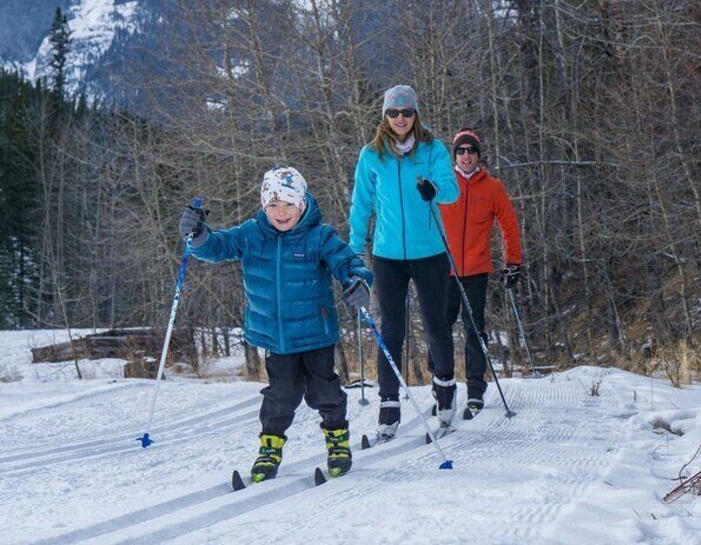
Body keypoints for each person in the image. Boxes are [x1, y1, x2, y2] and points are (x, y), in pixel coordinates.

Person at [179, 166, 373, 482]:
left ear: (302, 203)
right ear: (264, 205)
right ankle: (270, 449)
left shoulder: (319, 235)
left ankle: (337, 440)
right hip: (276, 338)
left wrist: (357, 282)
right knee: (279, 396)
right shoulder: (252, 234)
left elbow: (348, 262)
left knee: (324, 391)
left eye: (287, 204)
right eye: (272, 205)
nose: (280, 213)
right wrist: (197, 236)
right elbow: (217, 247)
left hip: (315, 334)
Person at [348, 85, 460, 441]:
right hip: (387, 255)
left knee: (436, 325)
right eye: (393, 113)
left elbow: (451, 188)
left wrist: (435, 190)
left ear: (415, 115)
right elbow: (360, 206)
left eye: (406, 112)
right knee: (390, 330)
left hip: (429, 252)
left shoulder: (433, 149)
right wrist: (353, 252)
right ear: (384, 116)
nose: (400, 119)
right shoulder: (371, 155)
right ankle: (388, 408)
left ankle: (444, 395)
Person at [438, 128, 522, 413]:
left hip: (476, 269)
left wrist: (513, 262)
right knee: (440, 328)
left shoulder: (493, 187)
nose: (466, 156)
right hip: (442, 270)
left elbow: (509, 225)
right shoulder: (442, 183)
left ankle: (475, 388)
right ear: (455, 155)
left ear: (478, 155)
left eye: (471, 150)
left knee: (474, 329)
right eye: (460, 151)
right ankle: (441, 384)